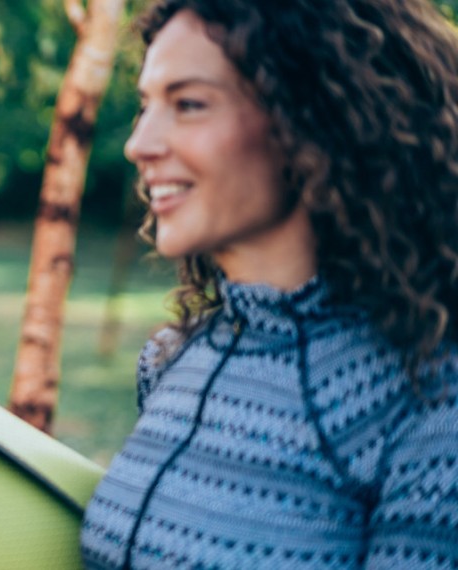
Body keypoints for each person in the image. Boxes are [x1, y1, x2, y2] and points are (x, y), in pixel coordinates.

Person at [80, 1, 458, 568]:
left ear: (311, 119)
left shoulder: (430, 401)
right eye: (145, 105)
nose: (139, 143)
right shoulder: (169, 360)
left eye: (187, 104)